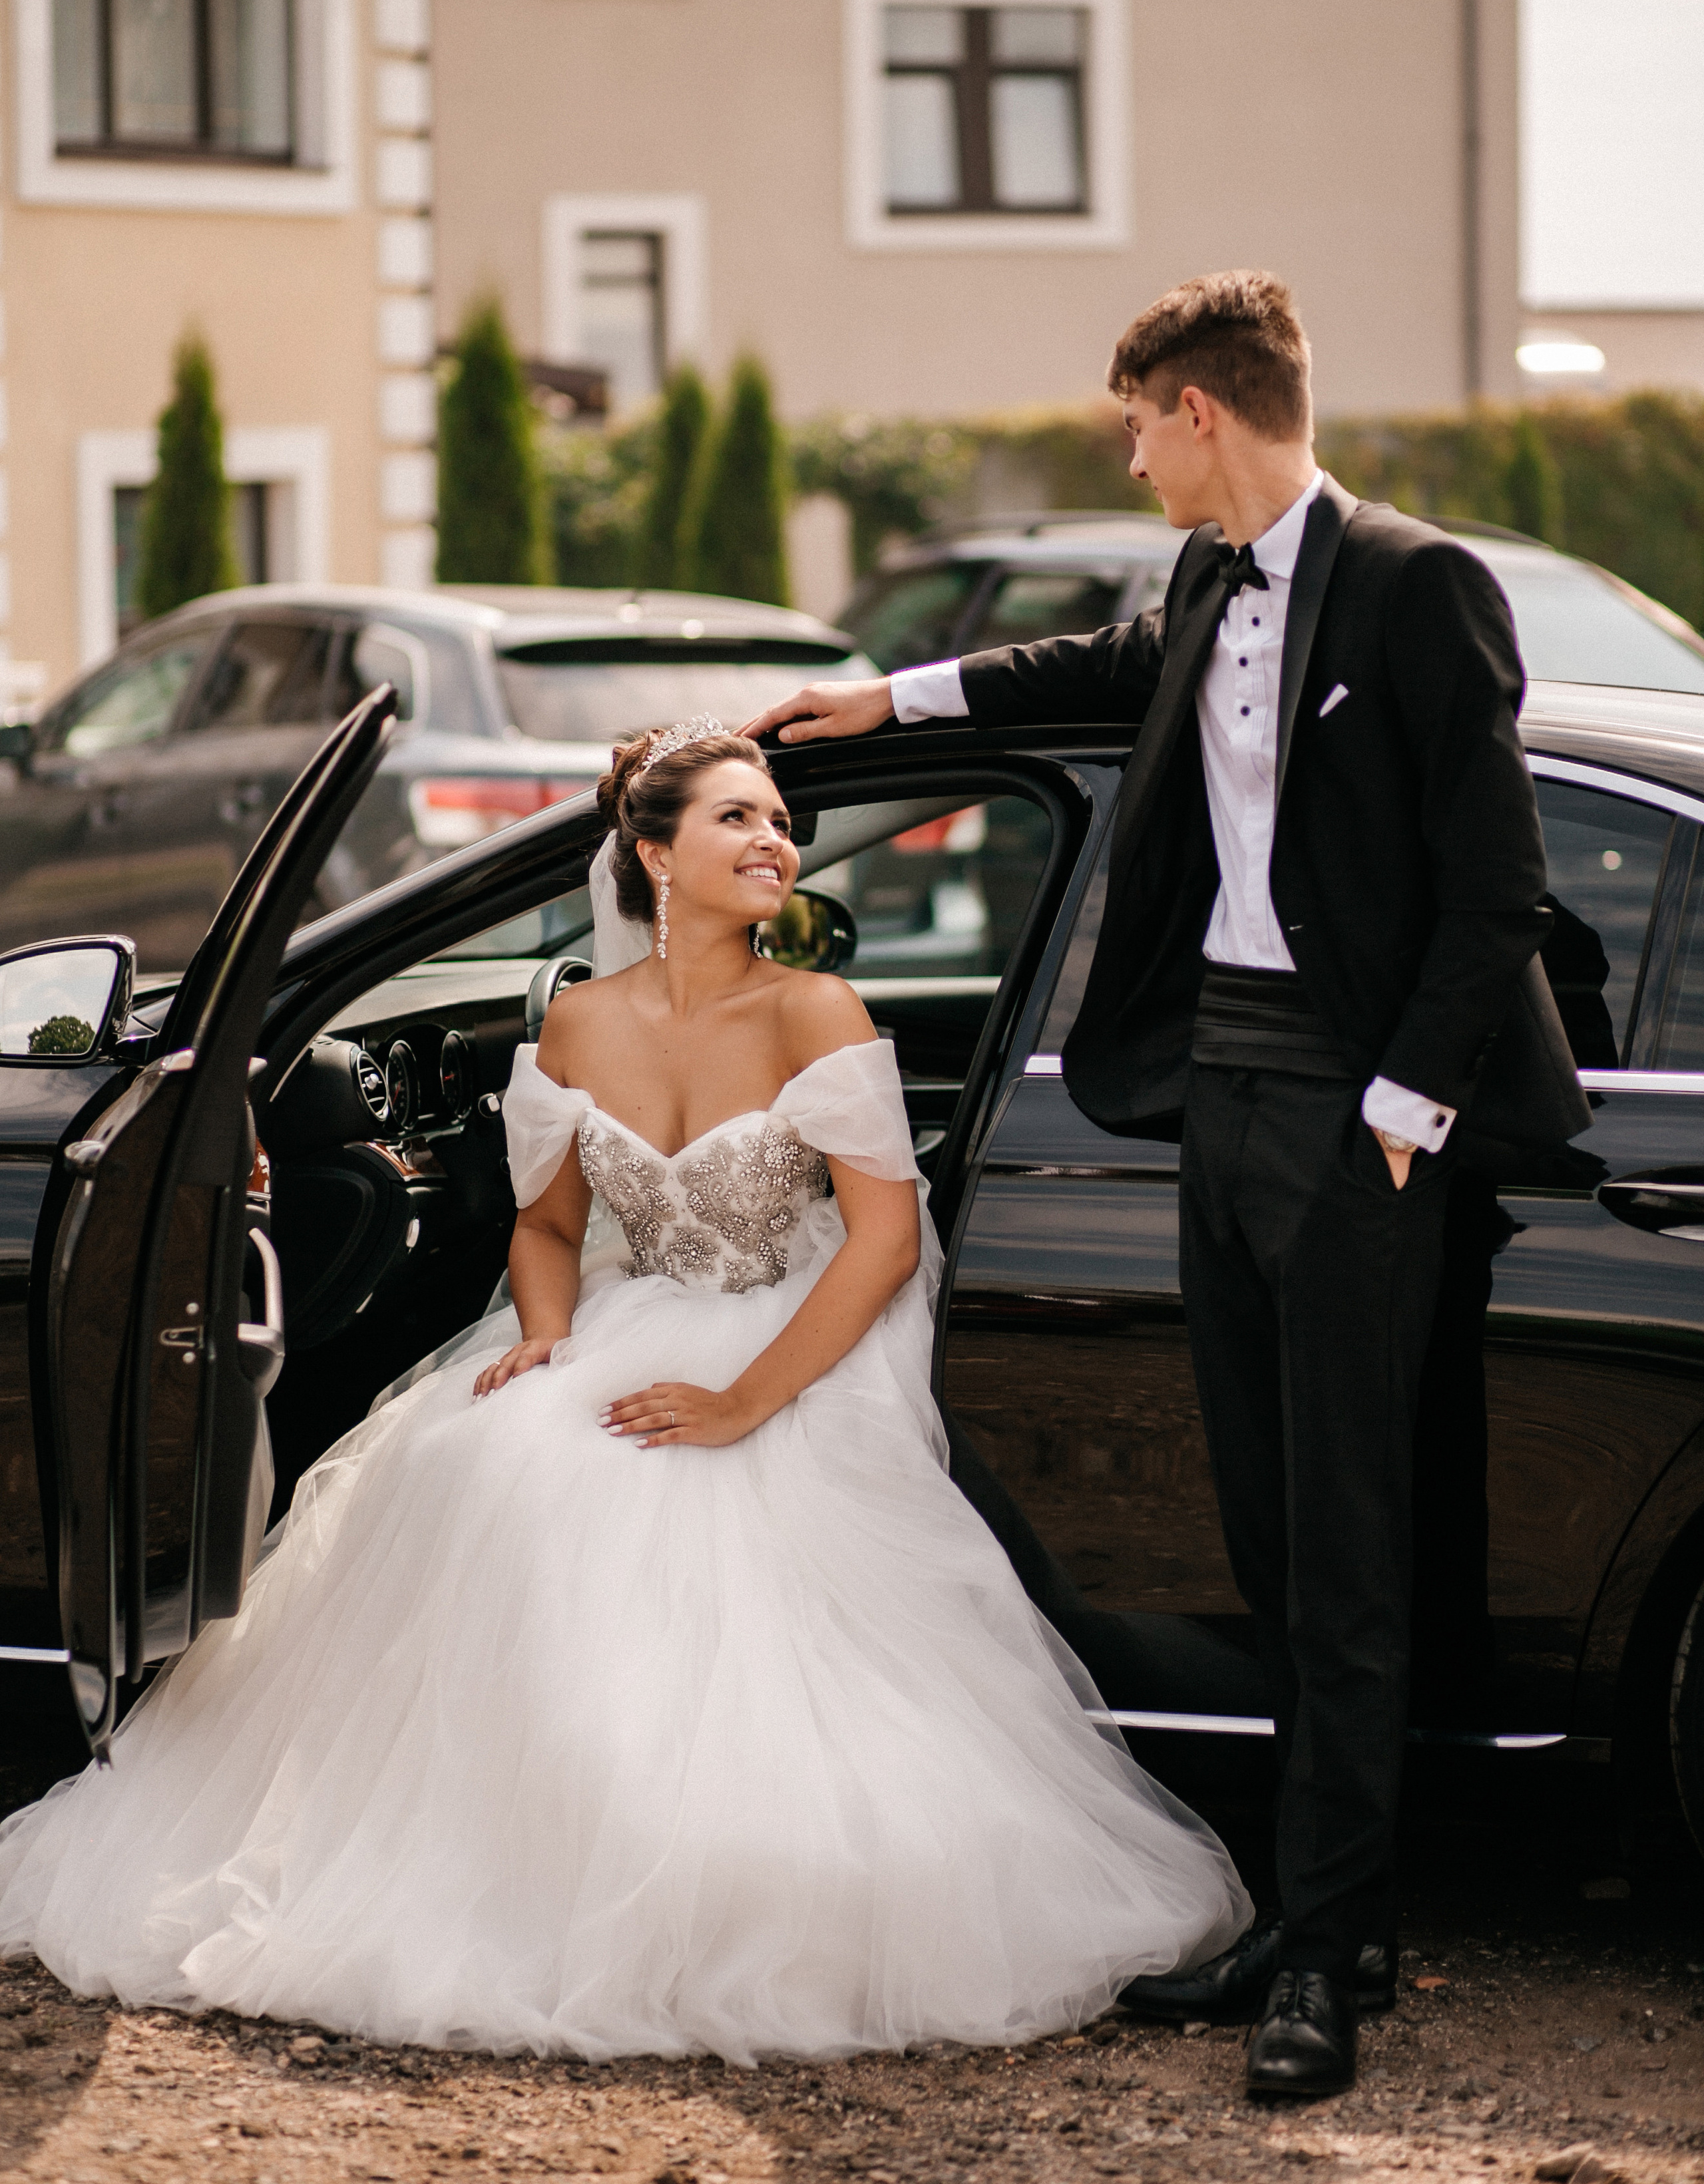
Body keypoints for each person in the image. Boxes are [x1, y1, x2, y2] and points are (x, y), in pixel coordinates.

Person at [0, 720, 1249, 2062]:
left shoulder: (811, 1008)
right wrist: (542, 1335)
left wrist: (744, 1401)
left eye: (779, 822)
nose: (775, 841)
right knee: (487, 1459)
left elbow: (882, 1241)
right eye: (738, 819)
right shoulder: (576, 1024)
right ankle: (501, 1856)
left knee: (691, 1499)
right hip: (623, 1321)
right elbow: (544, 1229)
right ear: (651, 854)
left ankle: (688, 1872)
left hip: (785, 1330)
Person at [743, 273, 1588, 2098]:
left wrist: (1402, 1109)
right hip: (1214, 1097)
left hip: (1356, 1125)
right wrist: (878, 698)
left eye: (1137, 422)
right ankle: (1313, 1915)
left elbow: (1497, 887)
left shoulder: (1422, 586)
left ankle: (1336, 1963)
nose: (1126, 455)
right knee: (1272, 1538)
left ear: (1203, 411)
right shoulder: (1208, 582)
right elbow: (1090, 674)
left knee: (1354, 1553)